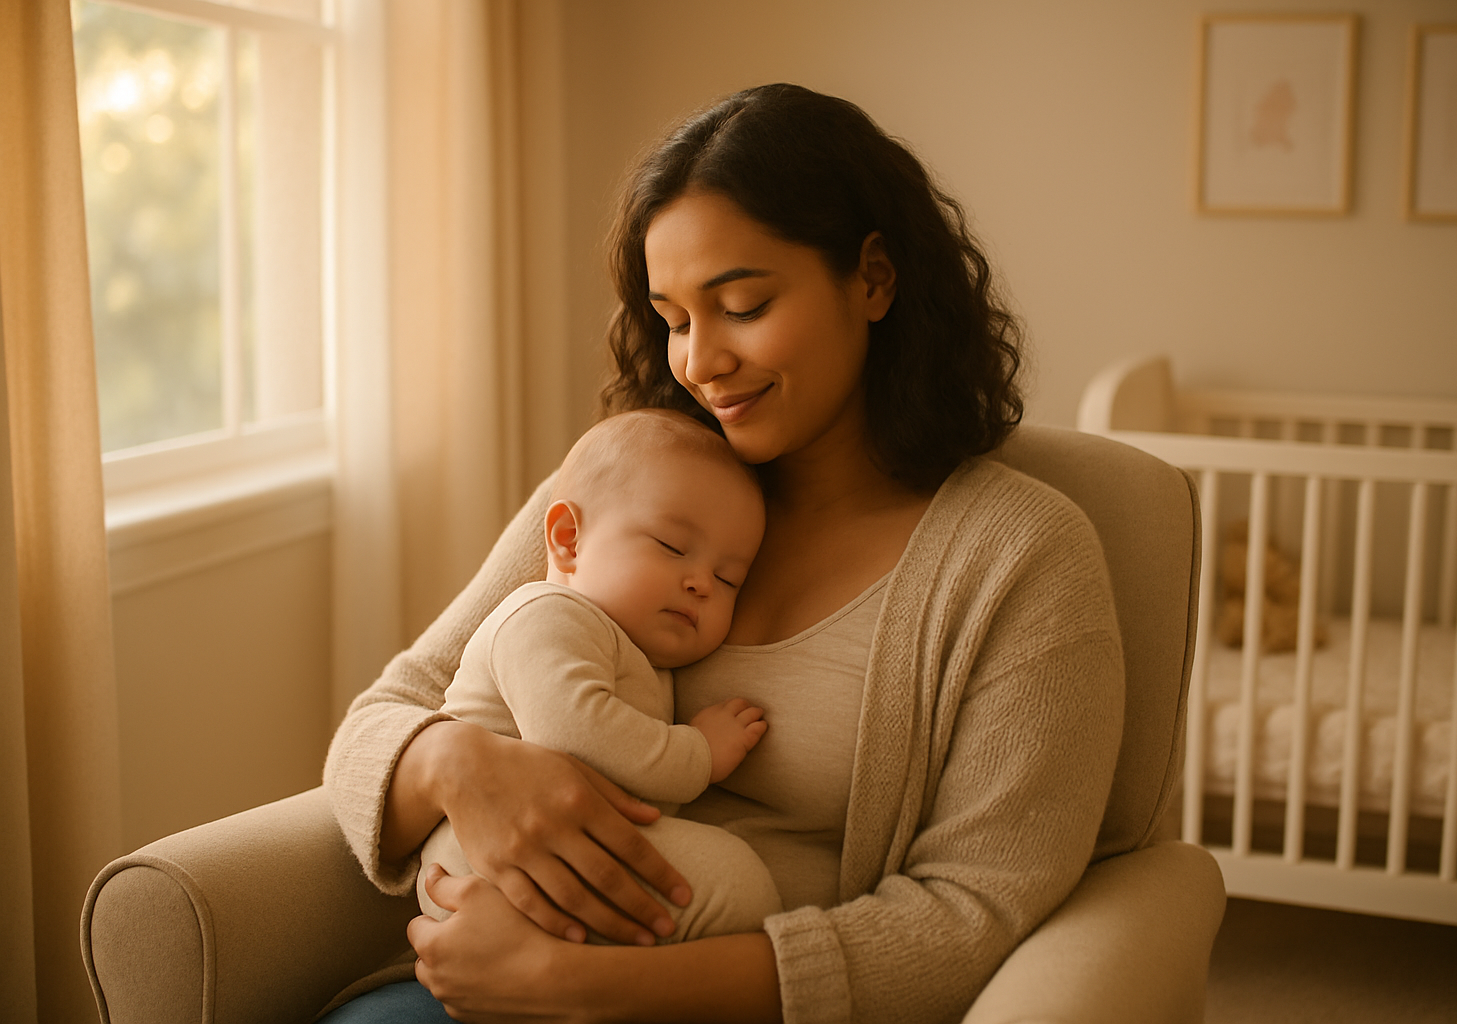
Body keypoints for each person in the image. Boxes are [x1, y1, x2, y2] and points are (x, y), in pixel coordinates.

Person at [322, 82, 1124, 1023]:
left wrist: (579, 988)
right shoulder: (631, 491)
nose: (699, 362)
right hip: (486, 972)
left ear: (873, 278)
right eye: (673, 319)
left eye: (741, 304)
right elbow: (382, 717)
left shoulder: (1020, 558)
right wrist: (462, 766)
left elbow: (971, 912)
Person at [415, 408, 782, 941]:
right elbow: (576, 734)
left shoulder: (631, 647)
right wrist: (698, 751)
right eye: (673, 547)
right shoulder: (543, 614)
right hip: (486, 859)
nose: (702, 582)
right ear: (568, 538)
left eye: (729, 579)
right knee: (737, 884)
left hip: (559, 847)